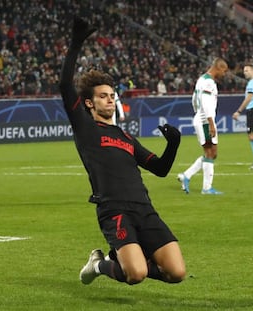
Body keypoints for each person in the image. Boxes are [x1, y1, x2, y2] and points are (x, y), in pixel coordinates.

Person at [59, 16, 185, 286]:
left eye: (112, 95)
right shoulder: (85, 128)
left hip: (144, 208)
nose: (110, 99)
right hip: (113, 209)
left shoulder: (126, 137)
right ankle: (100, 264)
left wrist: (173, 144)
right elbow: (64, 86)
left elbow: (160, 169)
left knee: (176, 273)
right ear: (89, 104)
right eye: (104, 96)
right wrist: (75, 43)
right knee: (136, 274)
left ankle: (122, 257)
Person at [177, 58, 228, 194]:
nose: (225, 74)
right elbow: (205, 103)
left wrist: (197, 112)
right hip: (205, 121)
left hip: (202, 118)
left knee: (211, 153)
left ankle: (186, 176)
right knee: (210, 153)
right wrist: (210, 123)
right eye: (224, 70)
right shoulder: (209, 83)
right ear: (218, 67)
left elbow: (194, 99)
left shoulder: (201, 80)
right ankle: (206, 188)